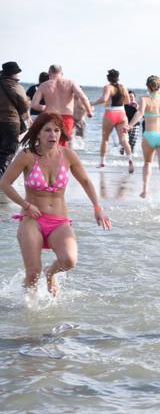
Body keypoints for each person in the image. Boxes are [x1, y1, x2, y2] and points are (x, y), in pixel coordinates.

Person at [0, 112, 112, 296]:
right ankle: (29, 313)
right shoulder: (27, 155)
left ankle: (50, 273)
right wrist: (26, 205)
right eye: (47, 130)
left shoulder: (68, 155)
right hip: (32, 219)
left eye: (57, 130)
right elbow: (4, 183)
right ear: (38, 133)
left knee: (69, 260)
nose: (53, 135)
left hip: (59, 221)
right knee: (32, 273)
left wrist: (97, 207)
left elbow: (86, 181)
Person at [127, 75, 160, 209]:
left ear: (147, 86)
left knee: (148, 163)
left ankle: (145, 189)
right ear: (159, 86)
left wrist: (130, 125)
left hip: (149, 135)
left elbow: (140, 113)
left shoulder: (144, 99)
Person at [30, 64, 93, 147]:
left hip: (50, 116)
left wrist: (46, 108)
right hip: (67, 118)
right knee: (64, 144)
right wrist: (89, 112)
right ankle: (62, 160)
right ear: (62, 73)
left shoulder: (43, 85)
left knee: (51, 143)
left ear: (49, 73)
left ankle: (48, 159)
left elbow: (34, 105)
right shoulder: (71, 83)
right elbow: (83, 97)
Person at [91, 69, 134, 171]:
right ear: (118, 77)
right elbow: (127, 101)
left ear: (108, 78)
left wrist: (92, 103)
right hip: (122, 114)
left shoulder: (108, 87)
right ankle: (130, 160)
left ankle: (102, 162)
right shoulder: (123, 87)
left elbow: (104, 99)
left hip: (110, 113)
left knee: (105, 139)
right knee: (123, 140)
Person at [1, 62, 31, 179]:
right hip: (11, 123)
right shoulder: (16, 87)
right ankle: (2, 180)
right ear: (14, 74)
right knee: (8, 153)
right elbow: (24, 105)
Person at [124, 90, 139, 155]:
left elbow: (143, 115)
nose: (131, 98)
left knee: (132, 143)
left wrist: (137, 107)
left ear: (134, 97)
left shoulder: (138, 106)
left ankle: (131, 157)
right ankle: (121, 157)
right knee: (124, 142)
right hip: (125, 126)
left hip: (135, 126)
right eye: (129, 97)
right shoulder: (123, 105)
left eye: (132, 97)